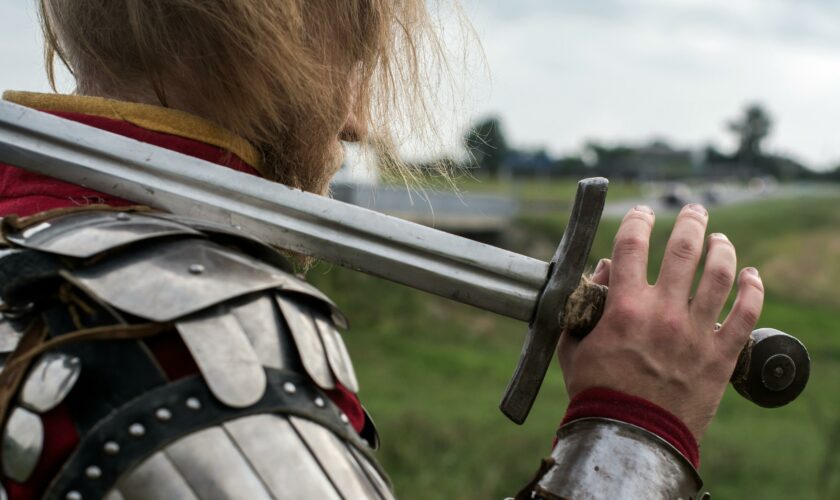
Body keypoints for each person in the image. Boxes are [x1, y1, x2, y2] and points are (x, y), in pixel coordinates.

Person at [0, 1, 763, 498]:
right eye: (354, 58)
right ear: (275, 34)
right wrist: (633, 430)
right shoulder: (197, 347)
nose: (357, 124)